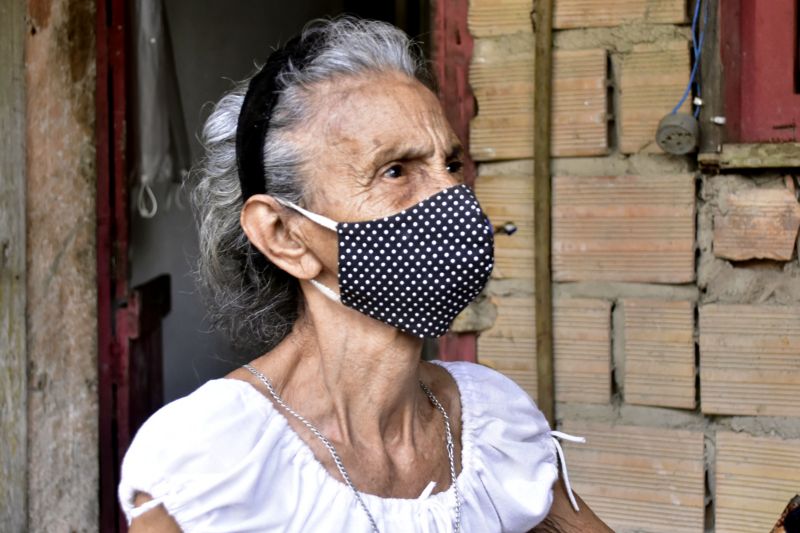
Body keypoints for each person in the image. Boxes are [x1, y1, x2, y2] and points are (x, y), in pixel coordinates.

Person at [118, 17, 613, 533]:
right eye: (395, 170)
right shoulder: (217, 463)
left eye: (451, 164)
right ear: (286, 235)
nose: (452, 199)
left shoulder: (492, 424)